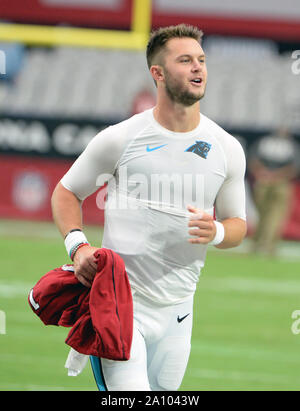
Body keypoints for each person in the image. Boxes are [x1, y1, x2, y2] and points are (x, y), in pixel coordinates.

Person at [51, 24, 247, 391]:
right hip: (122, 304)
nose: (197, 68)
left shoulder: (226, 146)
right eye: (185, 60)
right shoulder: (120, 138)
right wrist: (77, 247)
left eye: (201, 60)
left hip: (180, 310)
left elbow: (239, 225)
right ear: (157, 73)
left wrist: (217, 231)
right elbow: (66, 192)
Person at [248, 126, 299, 256]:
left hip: (263, 182)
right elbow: (294, 167)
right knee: (275, 216)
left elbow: (253, 161)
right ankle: (267, 245)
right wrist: (277, 176)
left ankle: (257, 244)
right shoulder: (291, 146)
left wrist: (263, 174)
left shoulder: (264, 142)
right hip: (281, 183)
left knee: (262, 215)